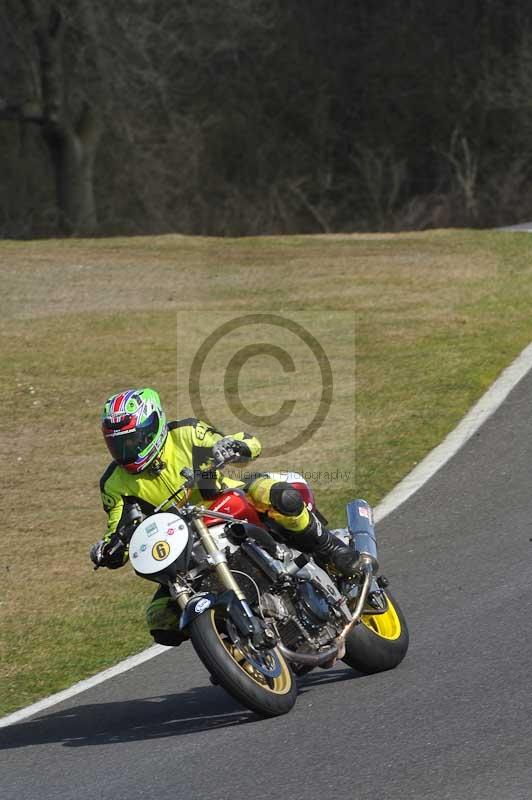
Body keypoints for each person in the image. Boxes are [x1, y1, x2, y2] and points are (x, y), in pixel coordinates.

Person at [90, 387, 358, 645]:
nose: (127, 449)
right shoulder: (114, 483)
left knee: (273, 495)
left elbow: (248, 442)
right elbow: (119, 529)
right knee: (161, 619)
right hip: (183, 546)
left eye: (133, 439)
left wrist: (231, 446)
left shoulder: (185, 434)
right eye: (118, 444)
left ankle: (328, 547)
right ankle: (234, 642)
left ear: (155, 426)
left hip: (223, 506)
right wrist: (110, 548)